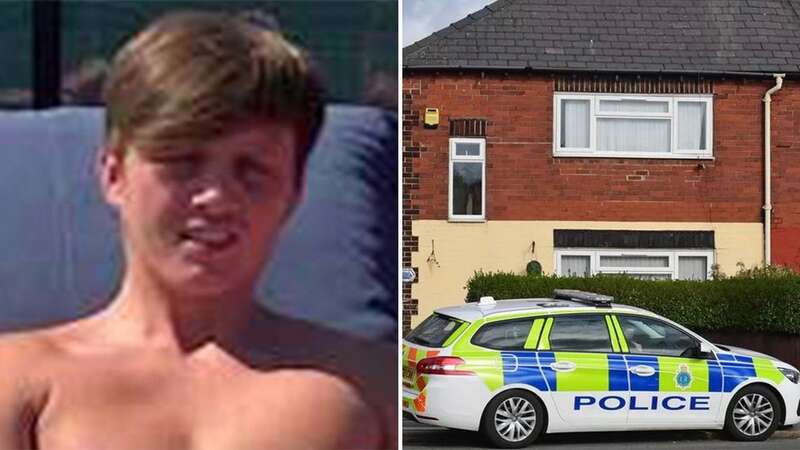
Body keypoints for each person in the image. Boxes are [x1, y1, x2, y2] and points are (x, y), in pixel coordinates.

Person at [0, 11, 395, 450]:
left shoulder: (377, 387)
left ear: (294, 193)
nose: (217, 197)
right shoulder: (21, 383)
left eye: (252, 170)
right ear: (114, 175)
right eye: (183, 163)